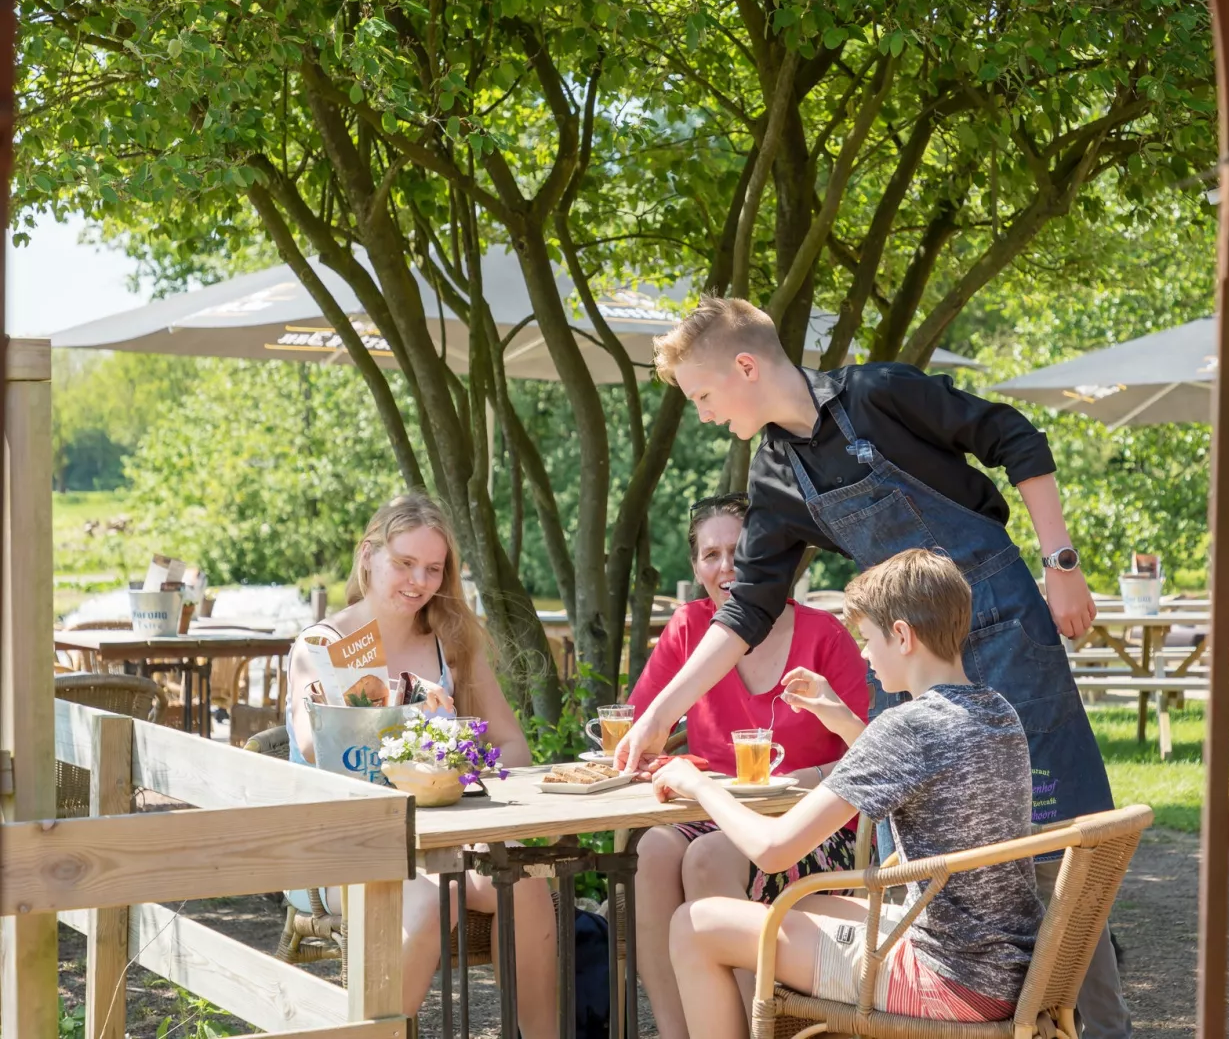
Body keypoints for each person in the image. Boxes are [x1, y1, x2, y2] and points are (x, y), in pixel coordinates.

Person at [615, 296, 1129, 1036]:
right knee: (900, 844)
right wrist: (663, 711)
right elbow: (745, 611)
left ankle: (1097, 1029)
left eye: (701, 395)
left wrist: (1062, 563)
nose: (700, 415)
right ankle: (925, 1010)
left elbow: (1013, 435)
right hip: (904, 659)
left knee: (1061, 840)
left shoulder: (880, 393)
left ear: (746, 366)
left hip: (1007, 629)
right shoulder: (775, 479)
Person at [653, 549, 1044, 1035]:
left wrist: (696, 784)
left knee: (694, 926)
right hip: (1008, 964)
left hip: (945, 979)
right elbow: (915, 767)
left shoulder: (905, 727)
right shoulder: (996, 711)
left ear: (902, 636)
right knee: (792, 908)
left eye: (868, 638)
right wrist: (837, 716)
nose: (864, 655)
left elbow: (773, 851)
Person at [285, 495, 557, 1038]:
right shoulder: (323, 645)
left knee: (523, 880)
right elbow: (316, 748)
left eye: (433, 569)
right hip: (337, 847)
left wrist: (454, 757)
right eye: (405, 563)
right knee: (435, 896)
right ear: (369, 556)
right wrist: (402, 710)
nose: (419, 581)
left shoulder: (451, 644)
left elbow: (513, 749)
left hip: (437, 838)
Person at [628, 492, 871, 1039]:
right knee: (652, 851)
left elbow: (869, 755)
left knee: (708, 858)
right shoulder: (691, 628)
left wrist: (803, 781)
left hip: (811, 825)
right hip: (714, 807)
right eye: (710, 555)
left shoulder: (824, 635)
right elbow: (643, 728)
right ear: (695, 566)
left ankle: (750, 1032)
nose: (725, 567)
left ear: (770, 555)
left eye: (739, 551)